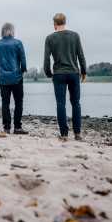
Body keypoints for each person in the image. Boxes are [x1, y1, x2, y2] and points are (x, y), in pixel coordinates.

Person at [43, 13, 86, 141]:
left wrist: (48, 73)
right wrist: (84, 71)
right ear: (65, 22)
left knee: (60, 104)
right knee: (76, 103)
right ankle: (77, 133)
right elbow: (81, 55)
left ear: (55, 24)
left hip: (59, 74)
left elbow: (46, 59)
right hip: (73, 73)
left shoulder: (50, 38)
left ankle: (64, 134)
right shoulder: (75, 36)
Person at [0, 22, 28, 134]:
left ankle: (6, 127)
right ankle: (17, 127)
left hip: (3, 79)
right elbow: (23, 60)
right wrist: (23, 70)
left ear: (2, 31)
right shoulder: (18, 43)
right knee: (18, 102)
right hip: (16, 77)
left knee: (5, 103)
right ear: (12, 31)